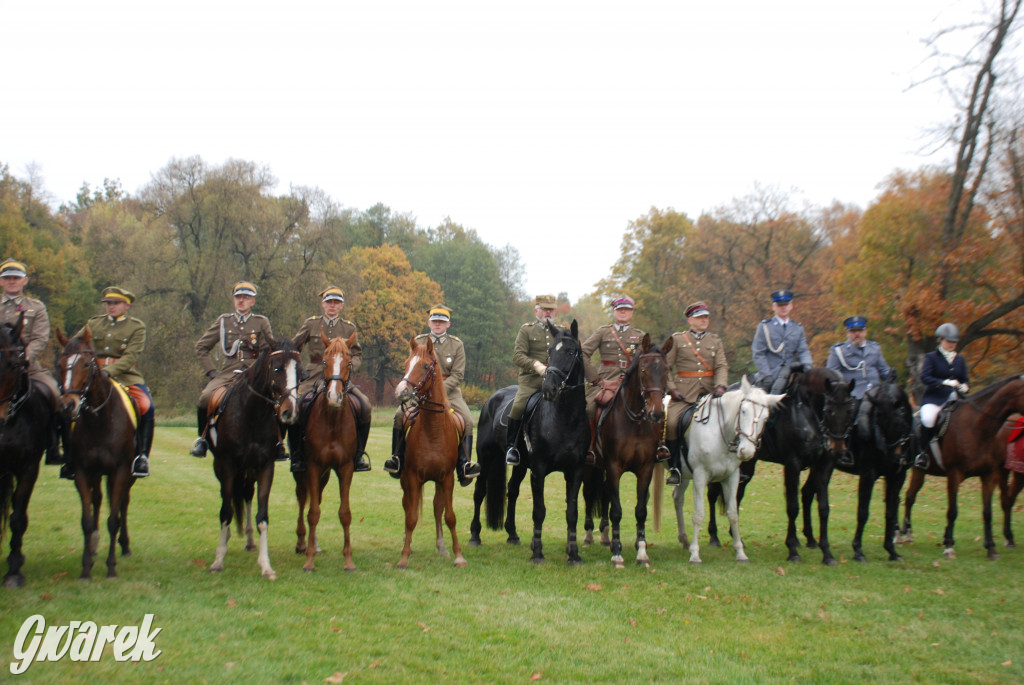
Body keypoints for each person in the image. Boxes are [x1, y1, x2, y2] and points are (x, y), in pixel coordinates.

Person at [384, 304, 481, 485]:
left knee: (467, 420)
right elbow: (412, 369)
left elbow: (458, 375)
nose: (438, 324)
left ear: (448, 324)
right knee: (399, 416)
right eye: (435, 321)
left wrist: (440, 390)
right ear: (429, 322)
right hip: (420, 391)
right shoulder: (418, 341)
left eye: (441, 322)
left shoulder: (456, 344)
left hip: (449, 391)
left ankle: (464, 464)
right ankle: (397, 459)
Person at [190, 281, 280, 458]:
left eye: (246, 297)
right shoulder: (223, 321)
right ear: (234, 300)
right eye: (238, 297)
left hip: (254, 371)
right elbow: (201, 347)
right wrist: (211, 372)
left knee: (277, 400)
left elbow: (267, 349)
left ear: (252, 301)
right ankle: (203, 440)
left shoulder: (261, 322)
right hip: (229, 371)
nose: (241, 301)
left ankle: (277, 442)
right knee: (205, 398)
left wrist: (260, 370)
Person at [71, 287, 154, 479]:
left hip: (125, 376)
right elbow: (74, 344)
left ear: (127, 305)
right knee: (68, 403)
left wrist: (108, 372)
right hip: (91, 377)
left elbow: (130, 356)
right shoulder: (93, 324)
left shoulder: (136, 327)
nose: (111, 307)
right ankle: (69, 456)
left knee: (146, 406)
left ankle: (141, 457)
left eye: (116, 303)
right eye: (108, 303)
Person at [289, 286, 372, 473]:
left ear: (341, 305)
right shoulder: (311, 324)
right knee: (297, 406)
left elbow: (357, 354)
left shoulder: (349, 327)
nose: (332, 306)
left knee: (365, 405)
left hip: (341, 377)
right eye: (329, 302)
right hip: (313, 375)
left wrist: (349, 369)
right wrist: (299, 370)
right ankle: (297, 456)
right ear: (322, 304)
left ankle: (358, 455)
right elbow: (293, 349)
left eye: (336, 302)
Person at [0, 258, 64, 467]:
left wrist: (24, 358)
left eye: (16, 278)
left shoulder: (36, 307)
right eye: (7, 278)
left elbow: (40, 338)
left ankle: (54, 447)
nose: (12, 282)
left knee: (54, 392)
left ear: (25, 281)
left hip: (27, 366)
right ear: (1, 282)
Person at [664, 302, 729, 485]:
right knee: (672, 423)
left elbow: (721, 366)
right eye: (700, 317)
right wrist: (671, 389)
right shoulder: (677, 339)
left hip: (710, 392)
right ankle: (675, 467)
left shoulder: (715, 341)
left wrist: (721, 386)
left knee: (732, 419)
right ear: (690, 319)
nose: (704, 320)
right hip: (683, 394)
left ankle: (731, 464)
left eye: (706, 317)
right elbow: (666, 367)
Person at [581, 296, 647, 465]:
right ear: (614, 311)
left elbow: (645, 361)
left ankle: (655, 447)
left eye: (626, 309)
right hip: (605, 381)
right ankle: (591, 447)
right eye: (619, 309)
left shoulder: (639, 336)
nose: (623, 312)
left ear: (632, 312)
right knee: (590, 407)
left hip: (631, 382)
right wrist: (595, 379)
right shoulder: (603, 332)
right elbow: (583, 353)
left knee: (652, 408)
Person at [826, 315, 893, 467]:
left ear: (865, 332)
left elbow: (883, 369)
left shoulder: (874, 348)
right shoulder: (839, 351)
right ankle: (848, 451)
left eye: (860, 331)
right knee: (853, 419)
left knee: (895, 415)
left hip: (876, 393)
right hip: (854, 395)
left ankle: (895, 450)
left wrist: (890, 374)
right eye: (853, 331)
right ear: (848, 333)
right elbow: (833, 375)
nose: (857, 334)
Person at [505, 294, 559, 465]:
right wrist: (536, 365)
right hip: (531, 380)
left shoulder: (561, 331)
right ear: (537, 310)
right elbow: (518, 356)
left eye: (551, 309)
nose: (548, 312)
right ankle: (511, 447)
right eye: (544, 309)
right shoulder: (526, 330)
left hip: (556, 382)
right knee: (518, 405)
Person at [915, 322, 968, 469]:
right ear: (940, 340)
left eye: (954, 342)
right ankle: (922, 453)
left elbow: (965, 379)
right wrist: (943, 382)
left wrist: (965, 386)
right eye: (949, 341)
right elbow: (925, 377)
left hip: (956, 399)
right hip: (935, 399)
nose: (952, 345)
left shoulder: (960, 360)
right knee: (928, 419)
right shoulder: (931, 357)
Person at [752, 289, 812, 394]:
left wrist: (807, 365)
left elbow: (803, 351)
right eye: (780, 305)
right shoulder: (765, 327)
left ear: (791, 306)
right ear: (773, 307)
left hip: (791, 374)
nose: (783, 307)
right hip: (771, 374)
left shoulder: (798, 328)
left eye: (786, 304)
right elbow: (758, 353)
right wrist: (766, 375)